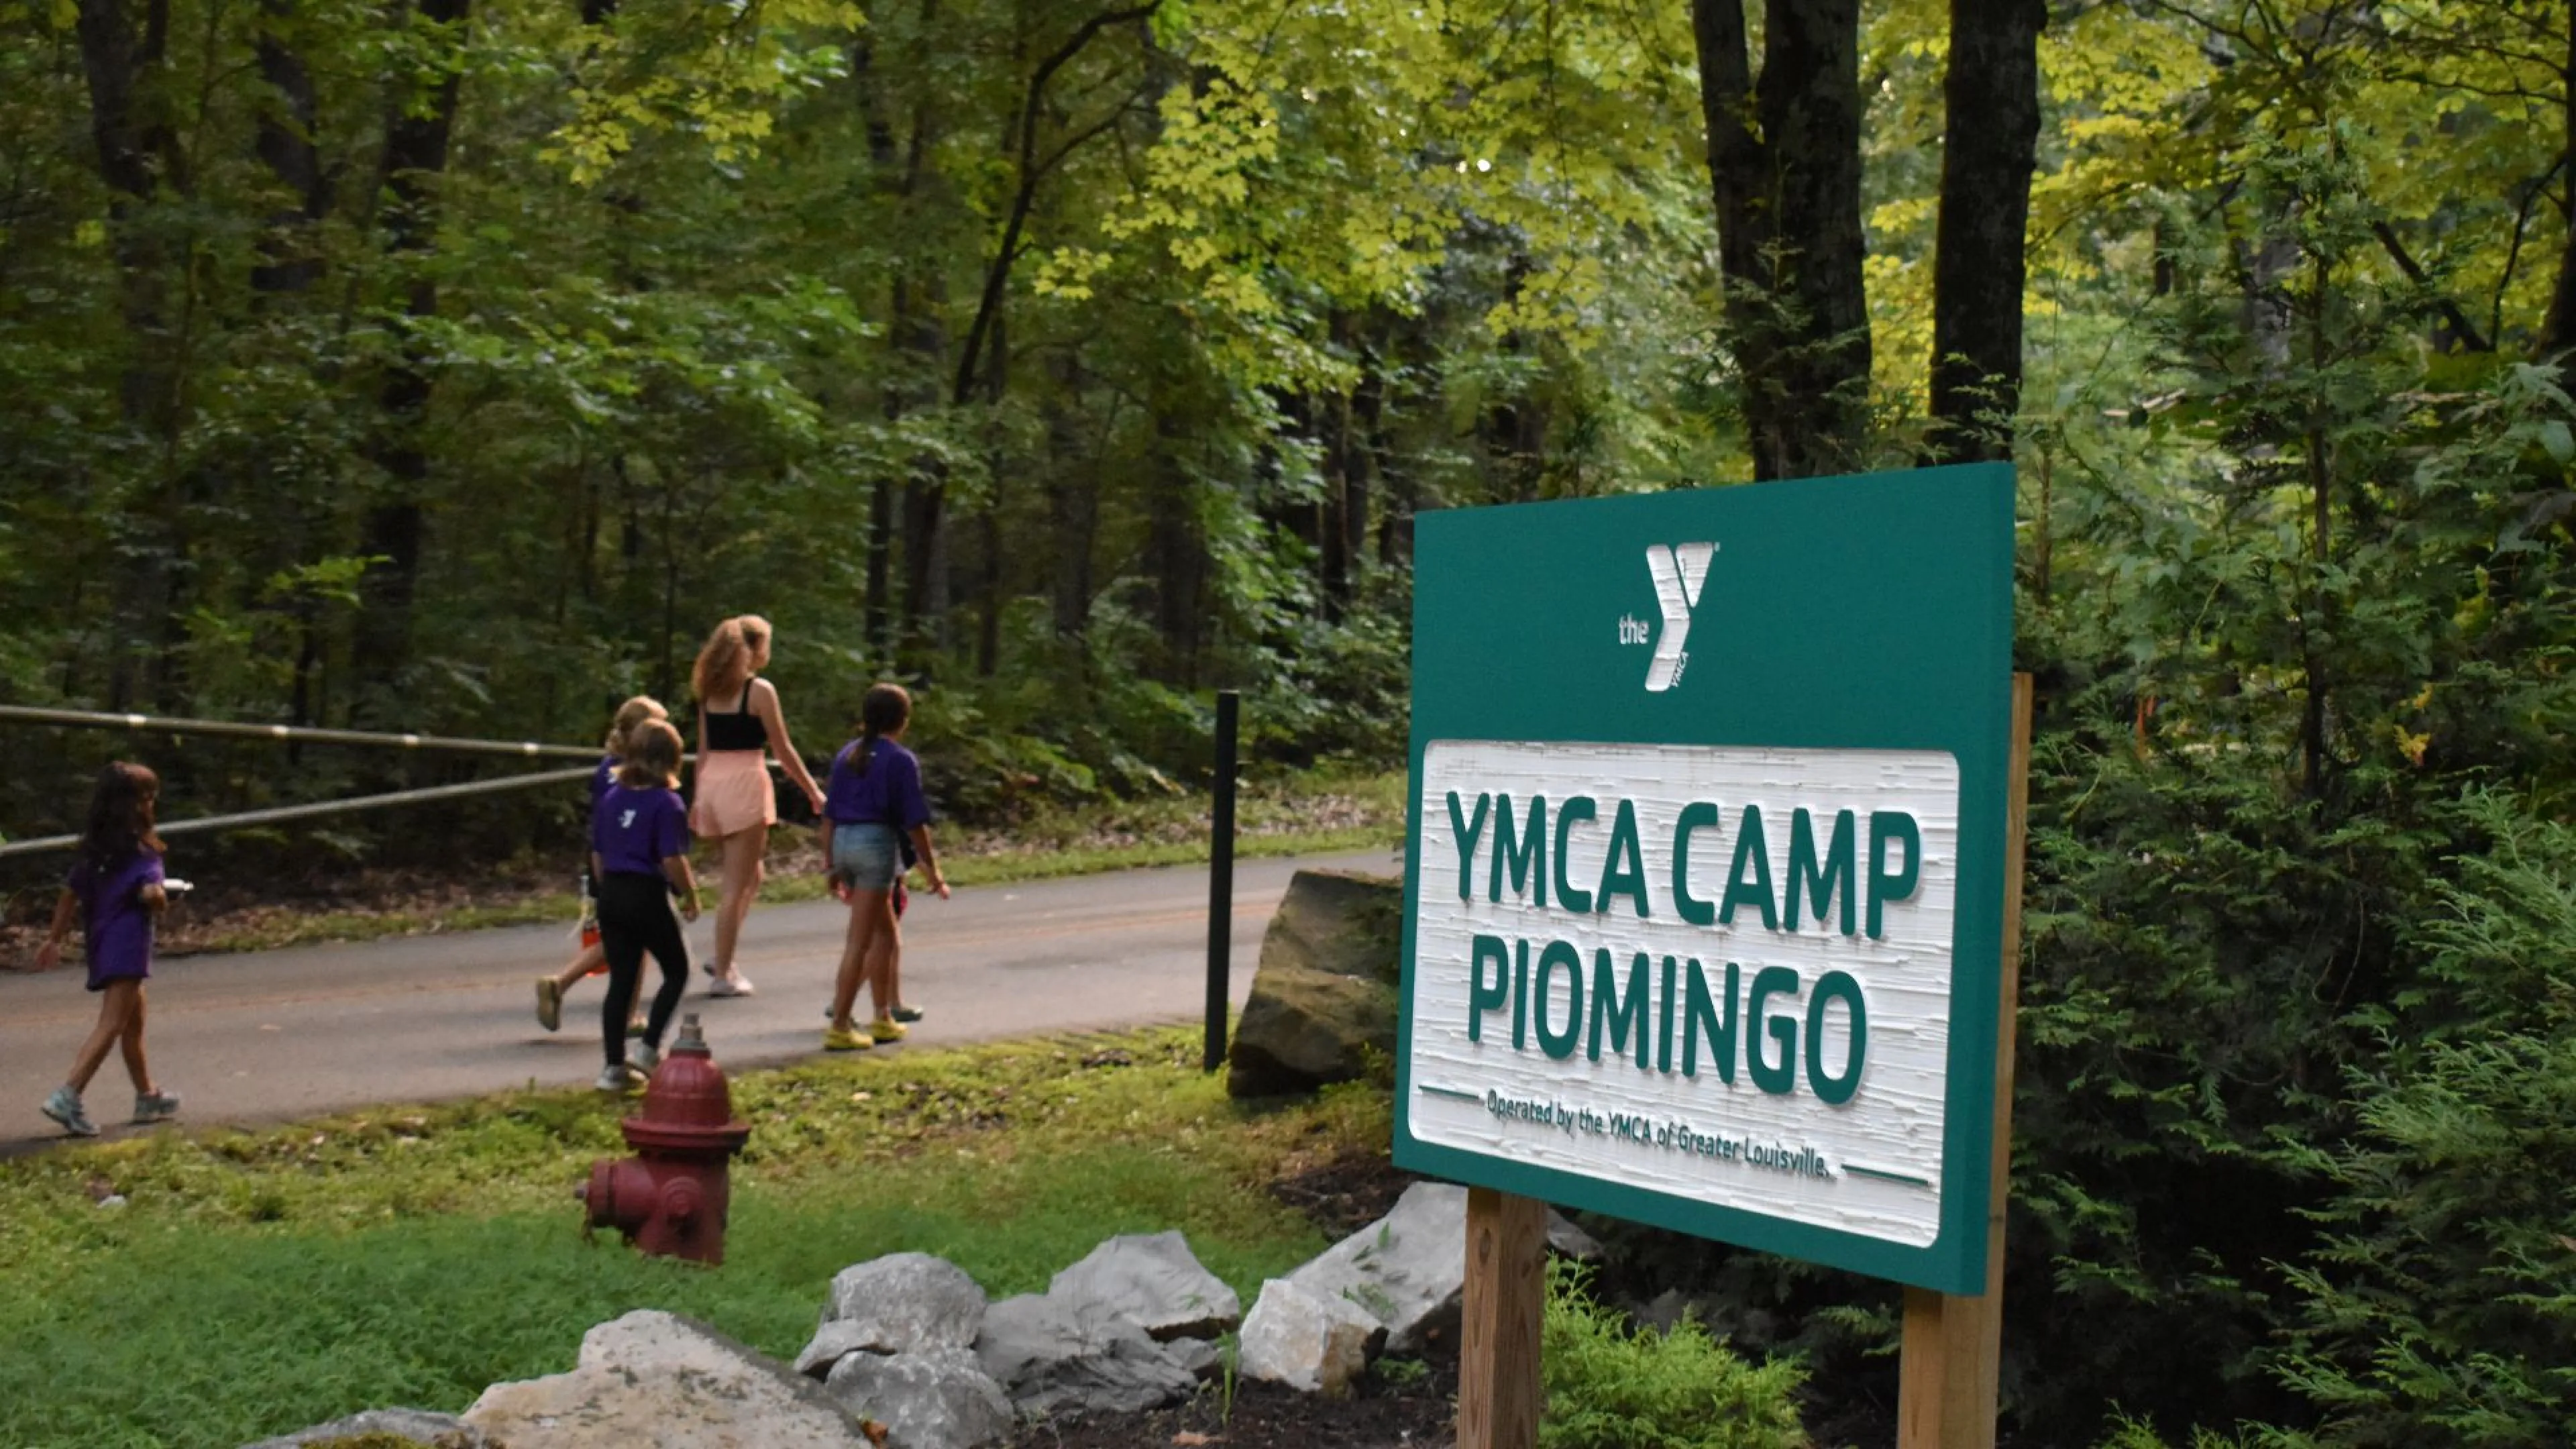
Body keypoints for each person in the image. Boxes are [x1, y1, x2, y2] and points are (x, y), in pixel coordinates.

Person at [32, 762, 180, 1136]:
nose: (151, 805)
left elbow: (69, 895)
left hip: (100, 941)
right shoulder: (144, 853)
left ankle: (147, 1096)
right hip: (128, 944)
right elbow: (154, 896)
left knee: (133, 1023)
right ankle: (69, 1094)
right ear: (137, 804)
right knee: (112, 1023)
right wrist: (160, 897)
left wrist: (54, 939)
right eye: (148, 798)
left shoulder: (95, 853)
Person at [687, 614, 825, 997]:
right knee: (735, 886)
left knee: (752, 875)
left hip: (714, 783)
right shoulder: (759, 691)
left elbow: (703, 750)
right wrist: (813, 791)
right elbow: (783, 749)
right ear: (756, 648)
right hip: (745, 783)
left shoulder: (711, 691)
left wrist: (698, 798)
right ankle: (723, 973)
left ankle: (723, 952)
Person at [821, 683, 949, 1051]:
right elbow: (915, 822)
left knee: (887, 935)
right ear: (903, 720)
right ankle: (840, 1024)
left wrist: (831, 864)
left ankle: (883, 1016)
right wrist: (932, 868)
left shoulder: (848, 755)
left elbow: (829, 815)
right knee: (859, 941)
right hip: (875, 845)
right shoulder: (900, 760)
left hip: (844, 841)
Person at [536, 695, 667, 1033]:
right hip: (626, 864)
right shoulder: (633, 775)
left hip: (604, 859)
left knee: (630, 939)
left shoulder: (606, 769)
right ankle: (561, 983)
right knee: (629, 937)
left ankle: (628, 1013)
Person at [590, 719, 702, 1091]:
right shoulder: (666, 803)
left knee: (621, 981)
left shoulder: (611, 798)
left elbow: (597, 854)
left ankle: (612, 1068)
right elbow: (672, 858)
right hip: (646, 893)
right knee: (677, 970)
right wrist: (689, 893)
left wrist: (606, 890)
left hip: (612, 892)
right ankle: (649, 1048)